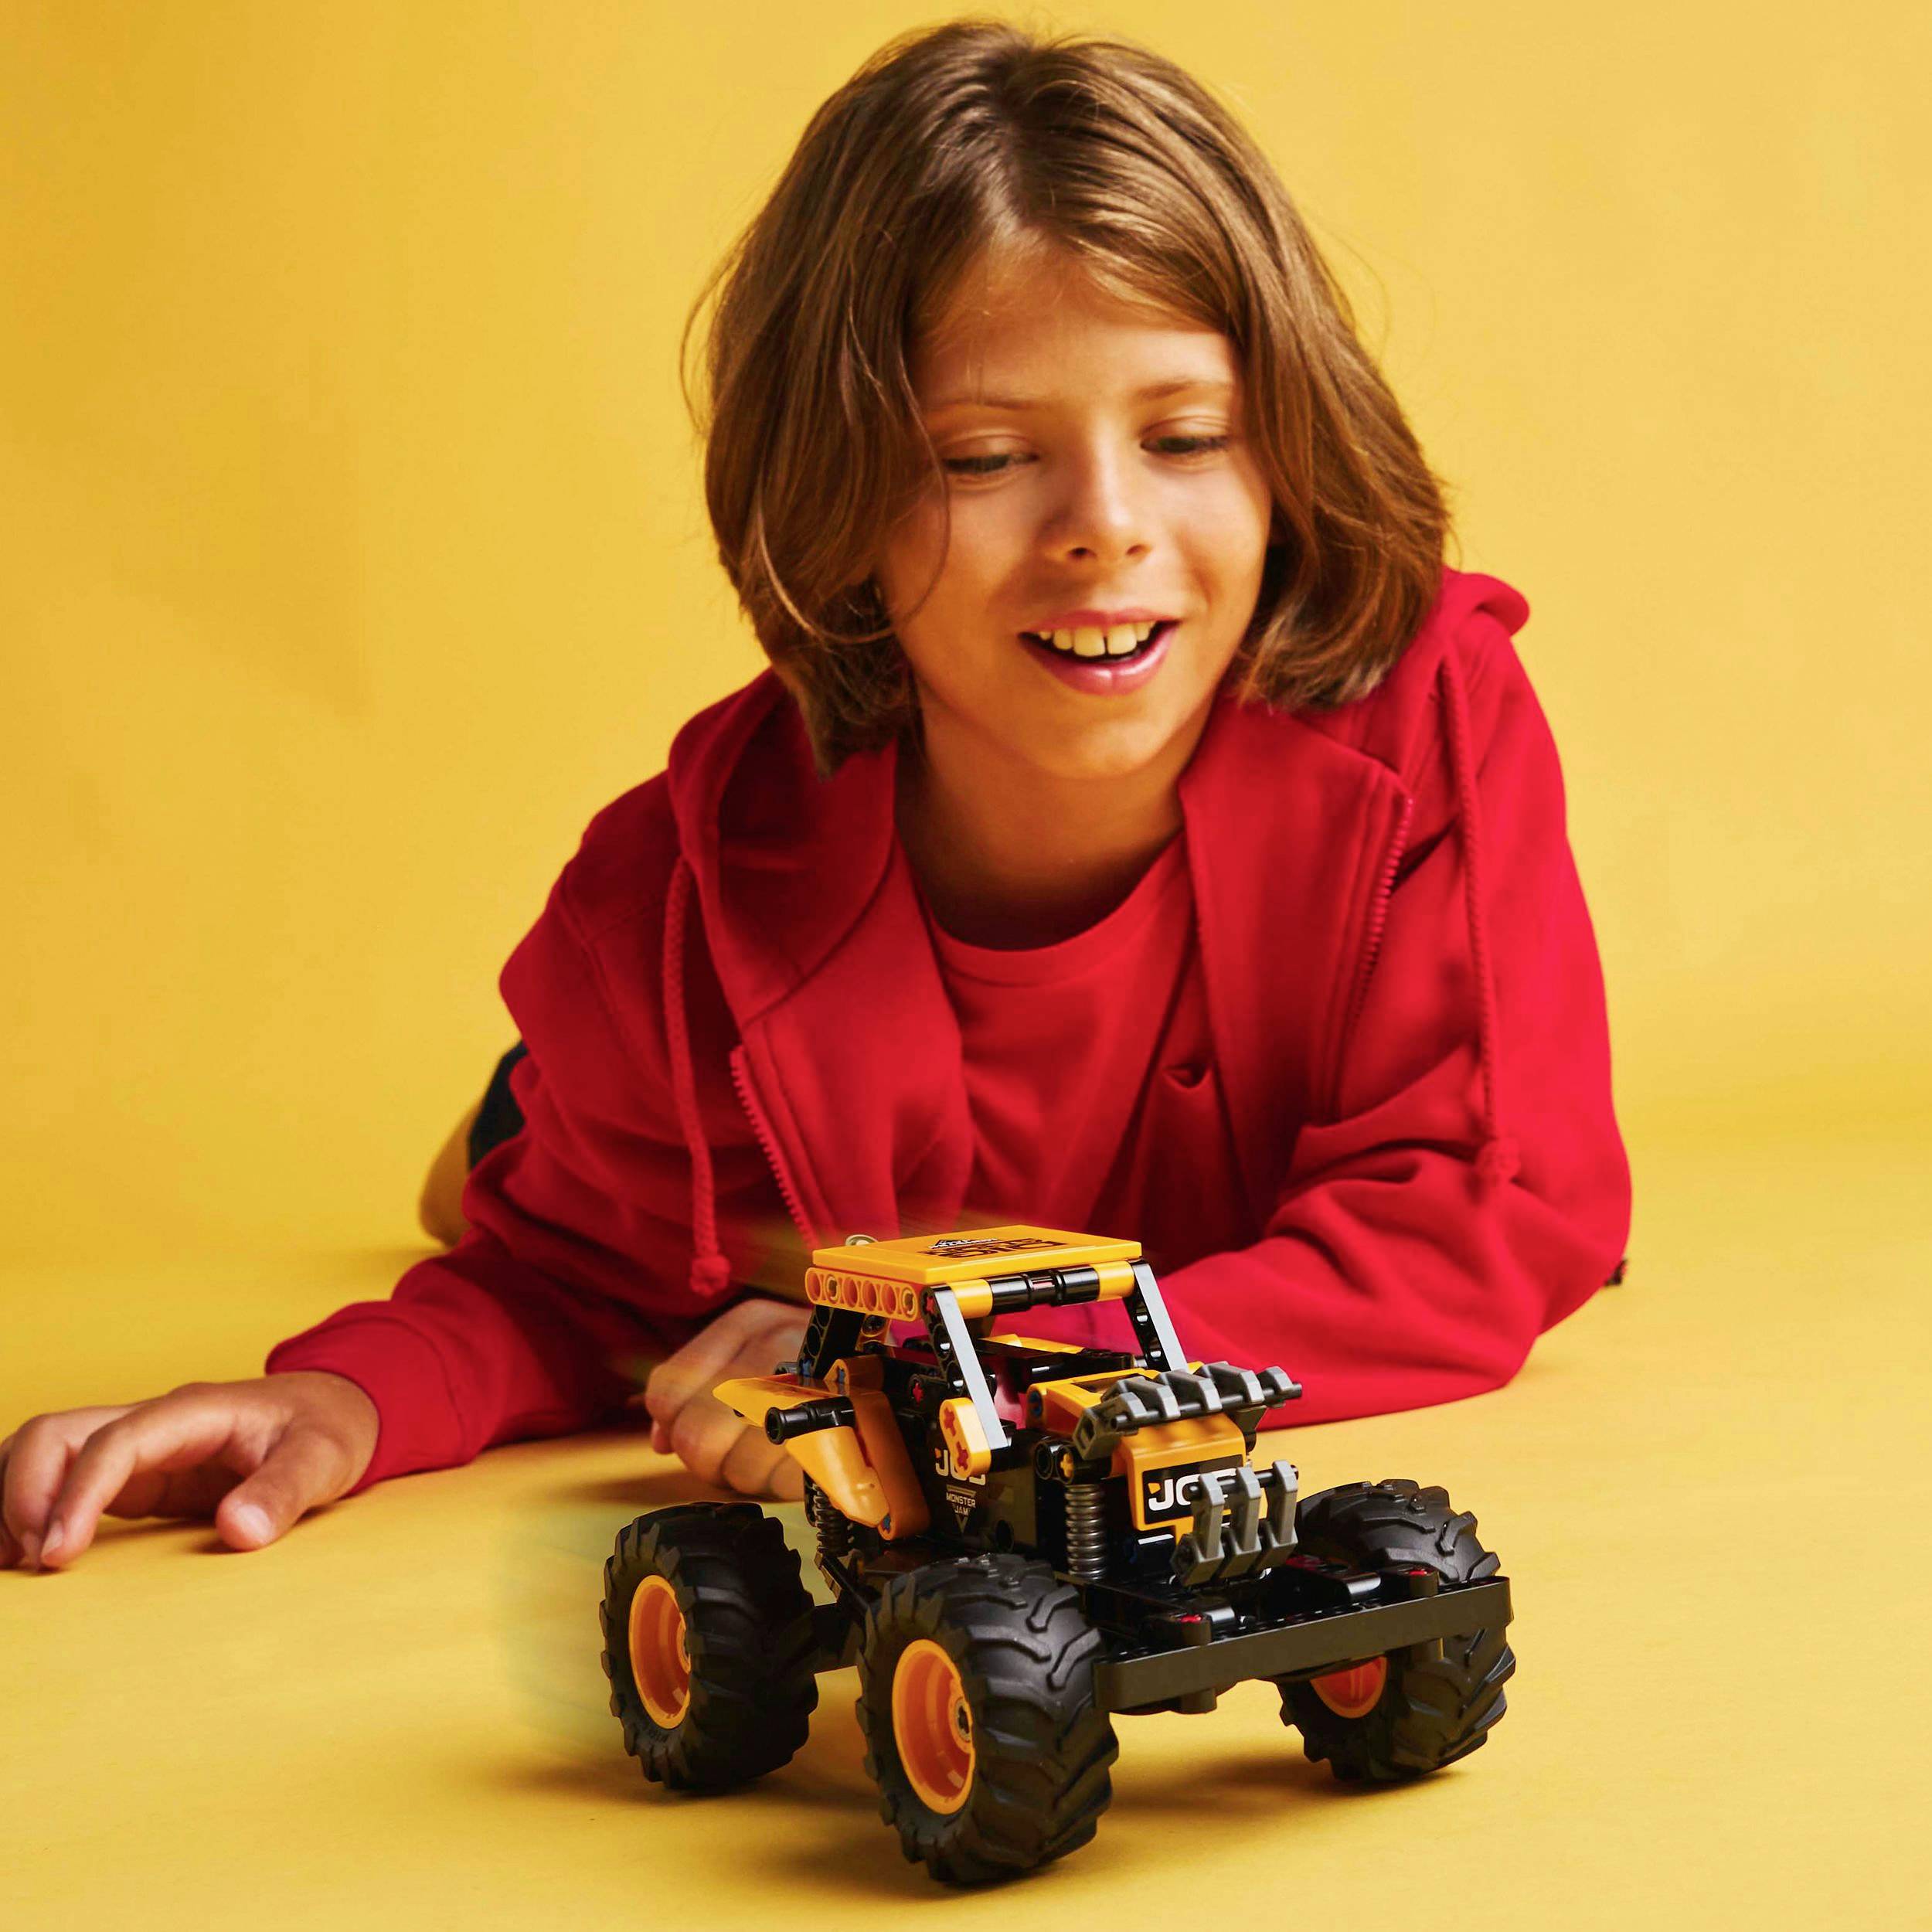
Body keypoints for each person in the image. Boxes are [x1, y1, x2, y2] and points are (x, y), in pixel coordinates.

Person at [0, 19, 1631, 1574]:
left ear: (1286, 458)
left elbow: (1481, 1228)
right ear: (833, 498)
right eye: (982, 457)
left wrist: (961, 1377)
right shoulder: (667, 915)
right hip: (728, 1151)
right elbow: (562, 1286)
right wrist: (344, 1394)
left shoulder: (1428, 720)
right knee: (563, 1186)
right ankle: (512, 1111)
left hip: (1052, 1240)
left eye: (1187, 435)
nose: (1106, 525)